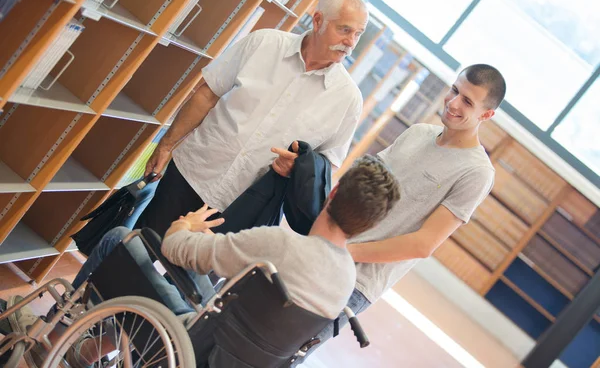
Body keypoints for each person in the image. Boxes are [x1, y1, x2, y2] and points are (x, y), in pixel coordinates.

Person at [10, 155, 400, 367]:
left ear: (330, 197)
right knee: (204, 293)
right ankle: (88, 355)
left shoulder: (280, 244)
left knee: (119, 238)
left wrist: (186, 225)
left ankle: (49, 339)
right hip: (221, 351)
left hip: (188, 346)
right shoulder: (344, 285)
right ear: (366, 226)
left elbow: (177, 252)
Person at [292, 64, 507, 365]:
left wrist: (345, 252)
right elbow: (357, 182)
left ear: (486, 115)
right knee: (250, 325)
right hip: (324, 252)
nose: (454, 103)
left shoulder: (477, 172)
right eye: (455, 90)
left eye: (468, 102)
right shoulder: (418, 133)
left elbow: (423, 244)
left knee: (281, 353)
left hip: (356, 282)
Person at [134, 0, 370, 236]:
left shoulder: (348, 100)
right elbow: (207, 94)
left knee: (188, 275)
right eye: (344, 29)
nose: (351, 42)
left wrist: (297, 169)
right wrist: (166, 145)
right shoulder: (263, 43)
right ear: (318, 20)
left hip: (243, 209)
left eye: (358, 34)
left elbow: (326, 166)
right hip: (192, 173)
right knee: (137, 251)